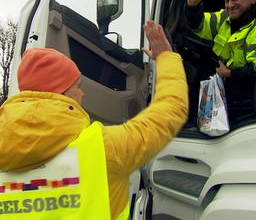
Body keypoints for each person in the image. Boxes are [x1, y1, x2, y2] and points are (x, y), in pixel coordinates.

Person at [0, 20, 188, 219]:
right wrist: (167, 58)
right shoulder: (103, 148)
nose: (82, 94)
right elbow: (169, 112)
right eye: (78, 86)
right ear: (61, 92)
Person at [185, 0, 256, 123]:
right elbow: (198, 25)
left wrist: (229, 73)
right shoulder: (224, 18)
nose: (230, 5)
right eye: (227, 0)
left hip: (248, 100)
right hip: (226, 93)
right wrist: (193, 6)